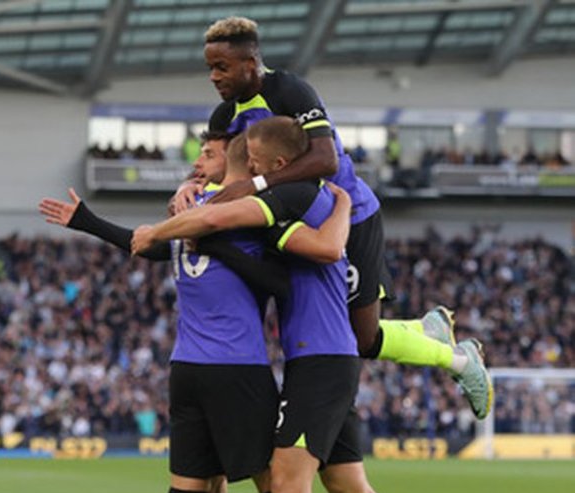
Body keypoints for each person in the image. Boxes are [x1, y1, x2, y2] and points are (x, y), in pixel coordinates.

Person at [132, 116, 428, 493]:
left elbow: (307, 241)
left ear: (277, 166)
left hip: (319, 361)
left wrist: (162, 226)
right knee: (348, 488)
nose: (255, 170)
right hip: (320, 359)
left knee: (287, 488)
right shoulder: (309, 197)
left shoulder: (290, 201)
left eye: (260, 162)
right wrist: (196, 196)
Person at [178, 15, 492, 420]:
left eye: (221, 67)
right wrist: (187, 186)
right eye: (210, 68)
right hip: (294, 220)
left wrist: (256, 185)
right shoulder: (224, 117)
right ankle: (424, 331)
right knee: (323, 324)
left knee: (363, 338)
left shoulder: (289, 91)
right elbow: (211, 165)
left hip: (347, 216)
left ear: (250, 64)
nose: (213, 76)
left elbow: (324, 160)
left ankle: (461, 361)